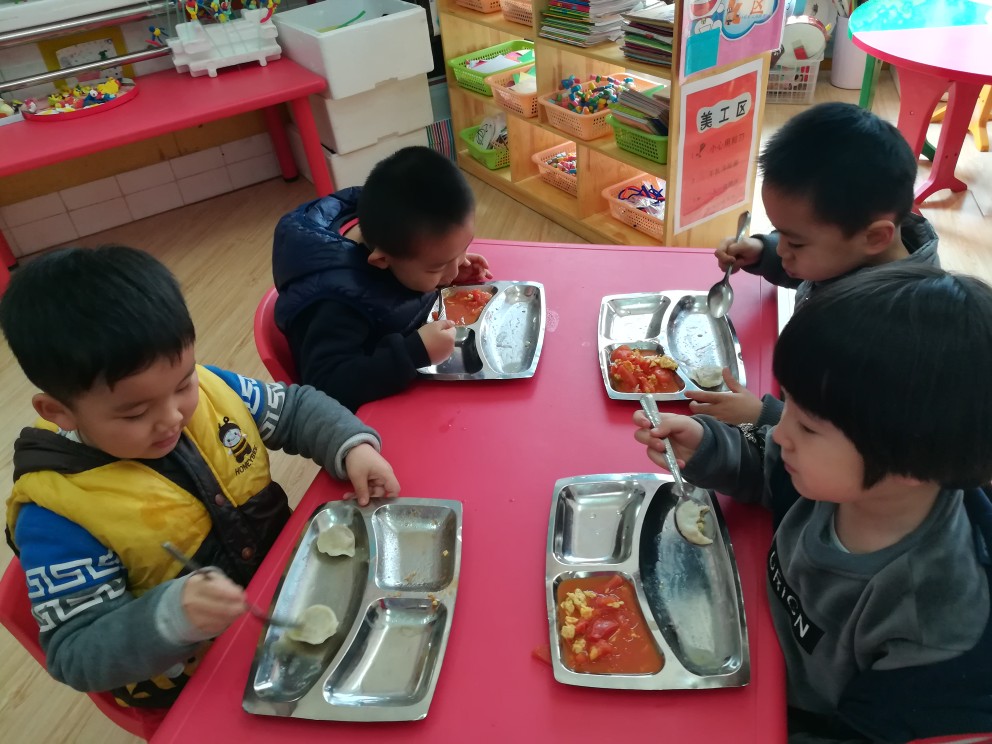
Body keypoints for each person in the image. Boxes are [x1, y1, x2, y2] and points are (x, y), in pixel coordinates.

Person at [0, 245, 401, 708]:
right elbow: (75, 654)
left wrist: (350, 446)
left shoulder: (209, 391)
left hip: (287, 591)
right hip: (195, 676)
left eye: (183, 384)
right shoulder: (56, 517)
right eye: (135, 413)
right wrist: (169, 619)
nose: (172, 417)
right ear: (59, 411)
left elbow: (293, 410)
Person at [633, 264, 992, 742]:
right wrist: (706, 447)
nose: (780, 431)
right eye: (789, 408)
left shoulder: (934, 628)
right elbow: (765, 466)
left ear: (910, 463)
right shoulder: (833, 475)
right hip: (745, 634)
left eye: (807, 426)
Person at [687, 102, 939, 428]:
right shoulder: (861, 252)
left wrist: (764, 416)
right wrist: (763, 252)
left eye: (795, 242)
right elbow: (824, 266)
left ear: (875, 237)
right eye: (780, 234)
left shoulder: (890, 338)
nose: (783, 250)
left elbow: (850, 436)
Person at [272, 146, 492, 412]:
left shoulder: (396, 228)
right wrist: (412, 353)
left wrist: (447, 268)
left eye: (462, 249)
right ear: (382, 262)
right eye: (438, 266)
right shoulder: (337, 305)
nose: (455, 272)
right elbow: (327, 385)